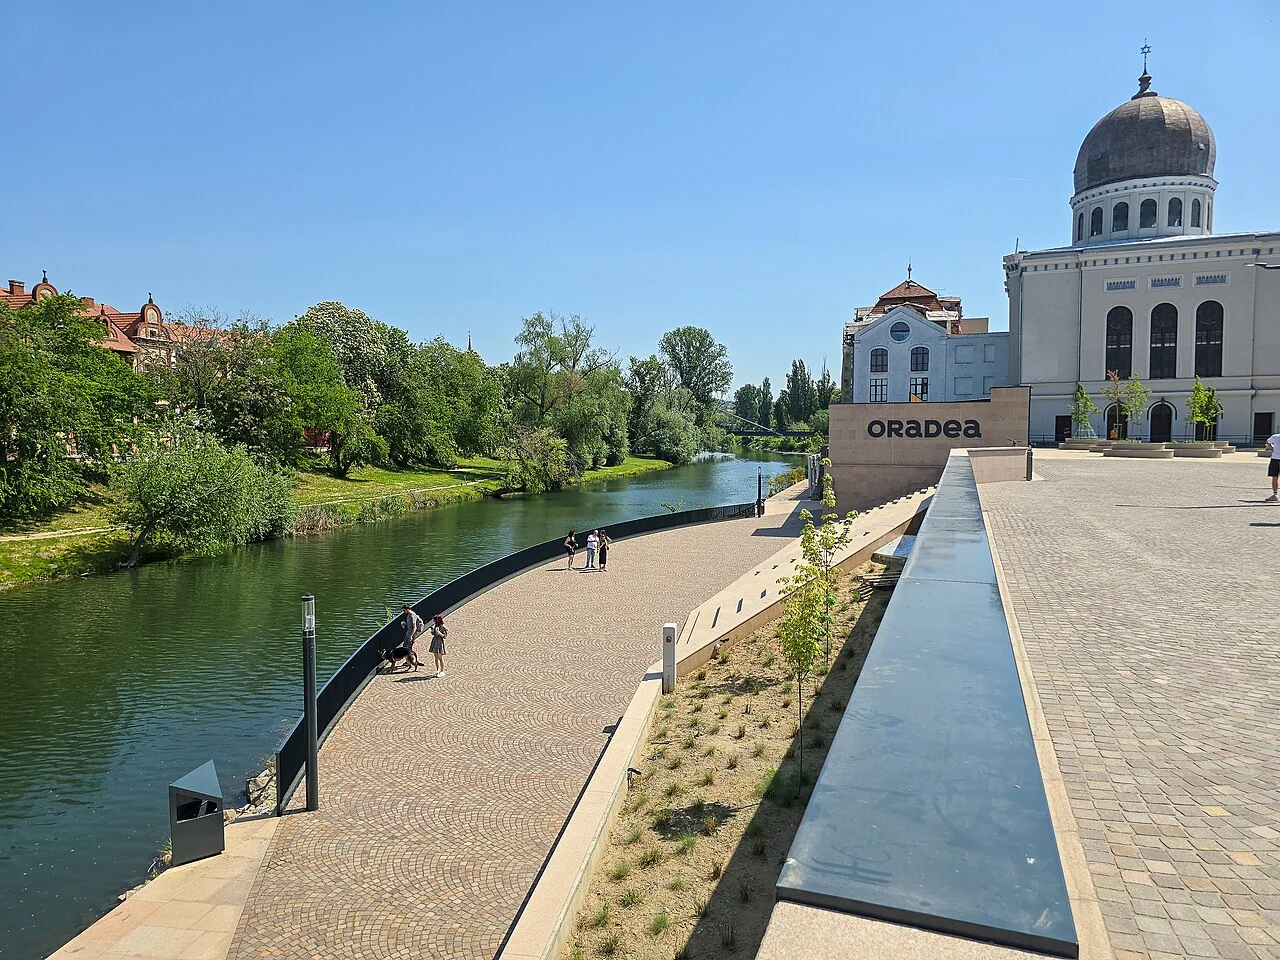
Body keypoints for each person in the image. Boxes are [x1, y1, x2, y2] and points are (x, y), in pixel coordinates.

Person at [1266, 431, 1280, 501]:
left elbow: (1268, 442)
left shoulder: (1275, 437)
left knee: (1275, 477)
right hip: (1275, 458)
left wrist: (1273, 447)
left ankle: (1275, 494)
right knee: (1274, 477)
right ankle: (1274, 495)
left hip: (1275, 459)